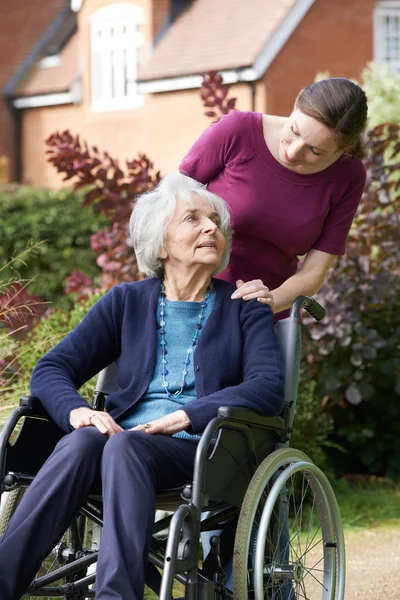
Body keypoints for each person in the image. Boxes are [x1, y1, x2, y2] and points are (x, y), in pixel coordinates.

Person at [0, 173, 284, 600]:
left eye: (214, 221)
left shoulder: (244, 307)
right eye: (193, 218)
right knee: (80, 443)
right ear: (162, 244)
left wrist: (191, 413)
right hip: (121, 444)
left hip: (205, 449)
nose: (212, 228)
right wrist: (79, 412)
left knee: (123, 445)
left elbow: (267, 387)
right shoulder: (126, 302)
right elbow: (52, 368)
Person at [179, 77, 368, 319]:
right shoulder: (238, 130)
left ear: (343, 150)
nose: (293, 152)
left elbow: (314, 270)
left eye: (315, 151)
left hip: (266, 316)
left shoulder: (348, 176)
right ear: (297, 102)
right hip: (190, 300)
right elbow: (170, 204)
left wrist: (269, 302)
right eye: (294, 131)